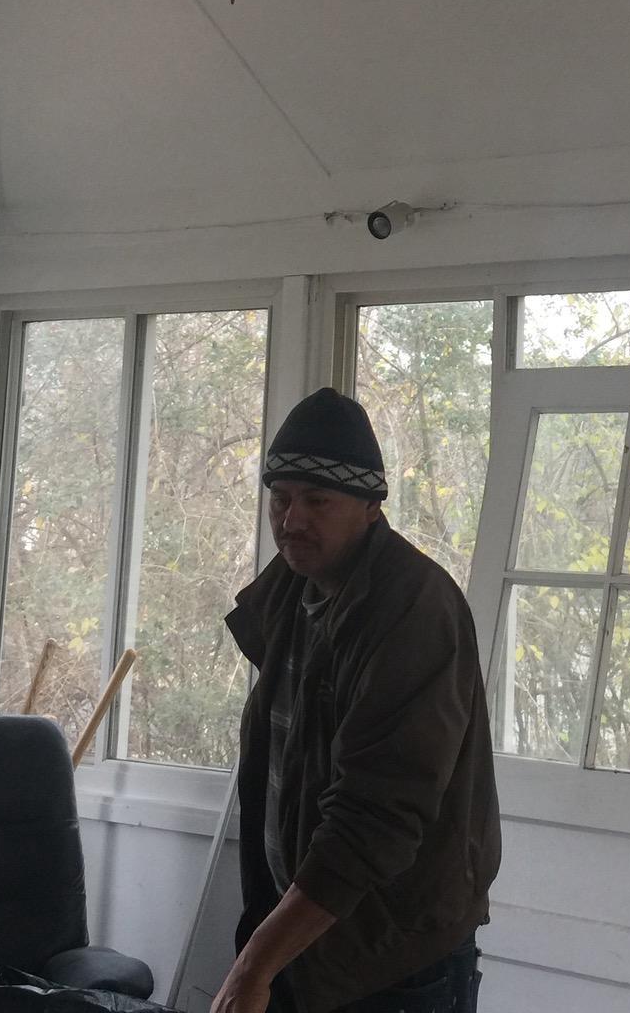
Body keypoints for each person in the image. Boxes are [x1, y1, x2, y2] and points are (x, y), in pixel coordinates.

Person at [209, 387, 500, 1013]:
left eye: (318, 500)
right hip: (311, 943)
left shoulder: (413, 609)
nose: (292, 519)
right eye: (281, 499)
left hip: (391, 960)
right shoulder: (291, 593)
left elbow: (376, 817)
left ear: (371, 506)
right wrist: (269, 950)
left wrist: (253, 965)